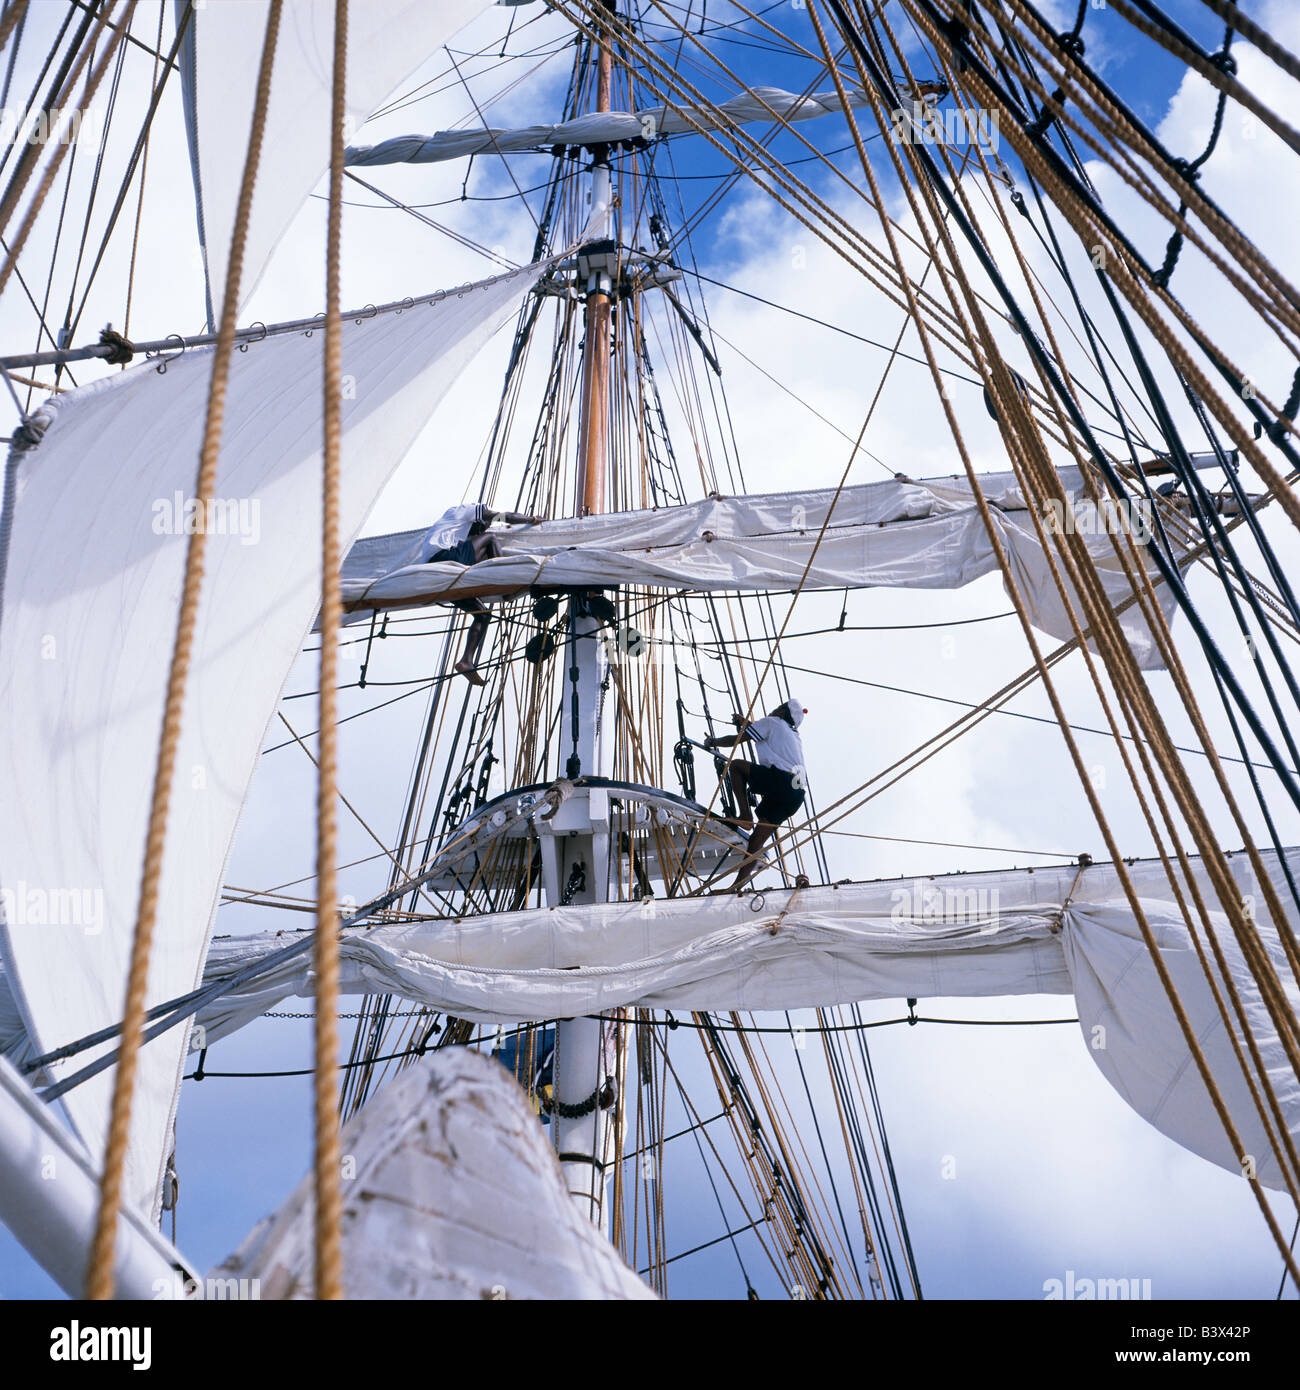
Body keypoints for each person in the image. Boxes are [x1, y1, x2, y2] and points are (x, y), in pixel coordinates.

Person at [422, 502, 541, 685]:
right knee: (491, 538)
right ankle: (505, 586)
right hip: (445, 559)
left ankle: (466, 661)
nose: (477, 535)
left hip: (443, 578)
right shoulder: (467, 510)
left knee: (483, 616)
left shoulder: (452, 528)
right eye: (481, 527)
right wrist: (532, 519)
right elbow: (504, 516)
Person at [704, 697, 808, 891]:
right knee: (756, 840)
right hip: (796, 794)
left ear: (783, 712)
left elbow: (739, 740)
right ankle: (736, 887)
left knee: (736, 767)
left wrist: (712, 742)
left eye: (779, 707)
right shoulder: (793, 735)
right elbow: (763, 735)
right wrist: (746, 723)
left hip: (782, 782)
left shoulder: (772, 722)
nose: (774, 709)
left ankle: (745, 815)